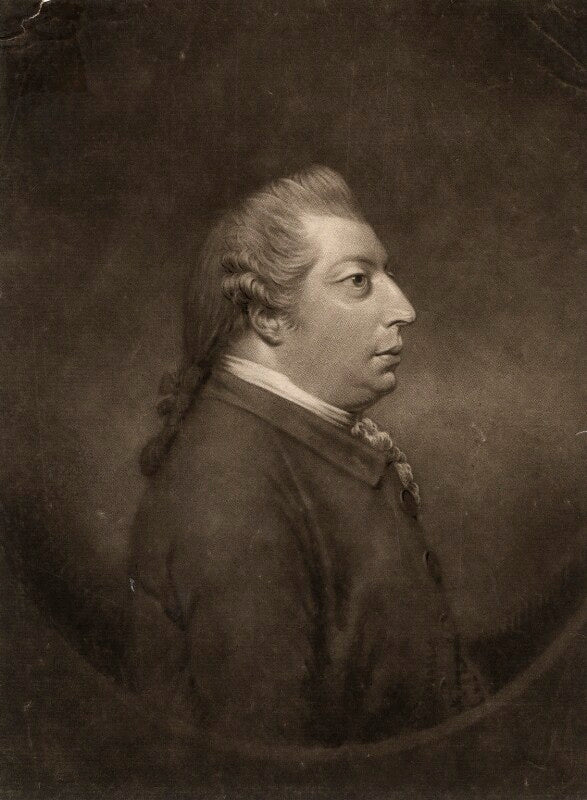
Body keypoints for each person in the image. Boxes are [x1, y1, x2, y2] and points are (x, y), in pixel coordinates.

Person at [128, 165, 486, 749]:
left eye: (386, 274)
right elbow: (271, 764)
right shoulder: (233, 487)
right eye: (358, 281)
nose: (405, 309)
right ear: (268, 317)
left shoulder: (285, 444)